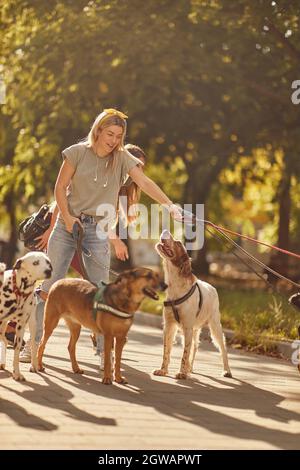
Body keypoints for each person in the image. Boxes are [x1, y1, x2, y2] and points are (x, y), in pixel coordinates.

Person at [19, 108, 181, 370]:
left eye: (118, 135)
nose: (114, 140)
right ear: (97, 130)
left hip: (97, 229)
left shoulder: (122, 158)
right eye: (109, 134)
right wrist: (69, 219)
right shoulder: (76, 152)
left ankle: (104, 349)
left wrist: (169, 205)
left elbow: (145, 181)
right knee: (48, 287)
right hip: (65, 226)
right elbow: (60, 188)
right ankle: (33, 344)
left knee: (104, 291)